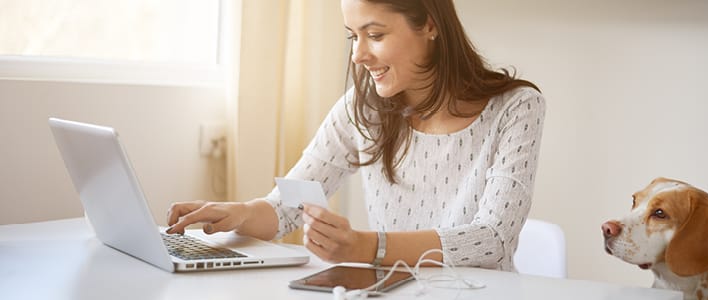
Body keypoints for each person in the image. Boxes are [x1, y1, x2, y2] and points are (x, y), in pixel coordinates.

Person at [166, 0, 545, 272]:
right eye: (352, 36)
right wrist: (239, 213)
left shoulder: (515, 107)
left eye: (375, 34)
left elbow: (491, 239)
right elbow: (289, 205)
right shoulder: (362, 108)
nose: (358, 55)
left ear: (430, 25)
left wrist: (368, 247)